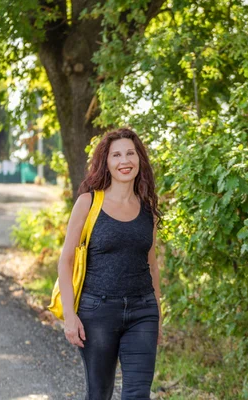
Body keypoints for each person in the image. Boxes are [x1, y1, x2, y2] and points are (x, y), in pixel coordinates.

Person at [56, 127, 163, 400]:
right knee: (99, 393)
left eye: (130, 153)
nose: (124, 161)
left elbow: (152, 267)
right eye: (116, 155)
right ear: (106, 162)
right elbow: (66, 260)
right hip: (97, 313)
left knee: (138, 394)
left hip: (142, 311)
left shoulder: (147, 210)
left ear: (139, 160)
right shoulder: (88, 203)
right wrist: (70, 315)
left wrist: (158, 316)